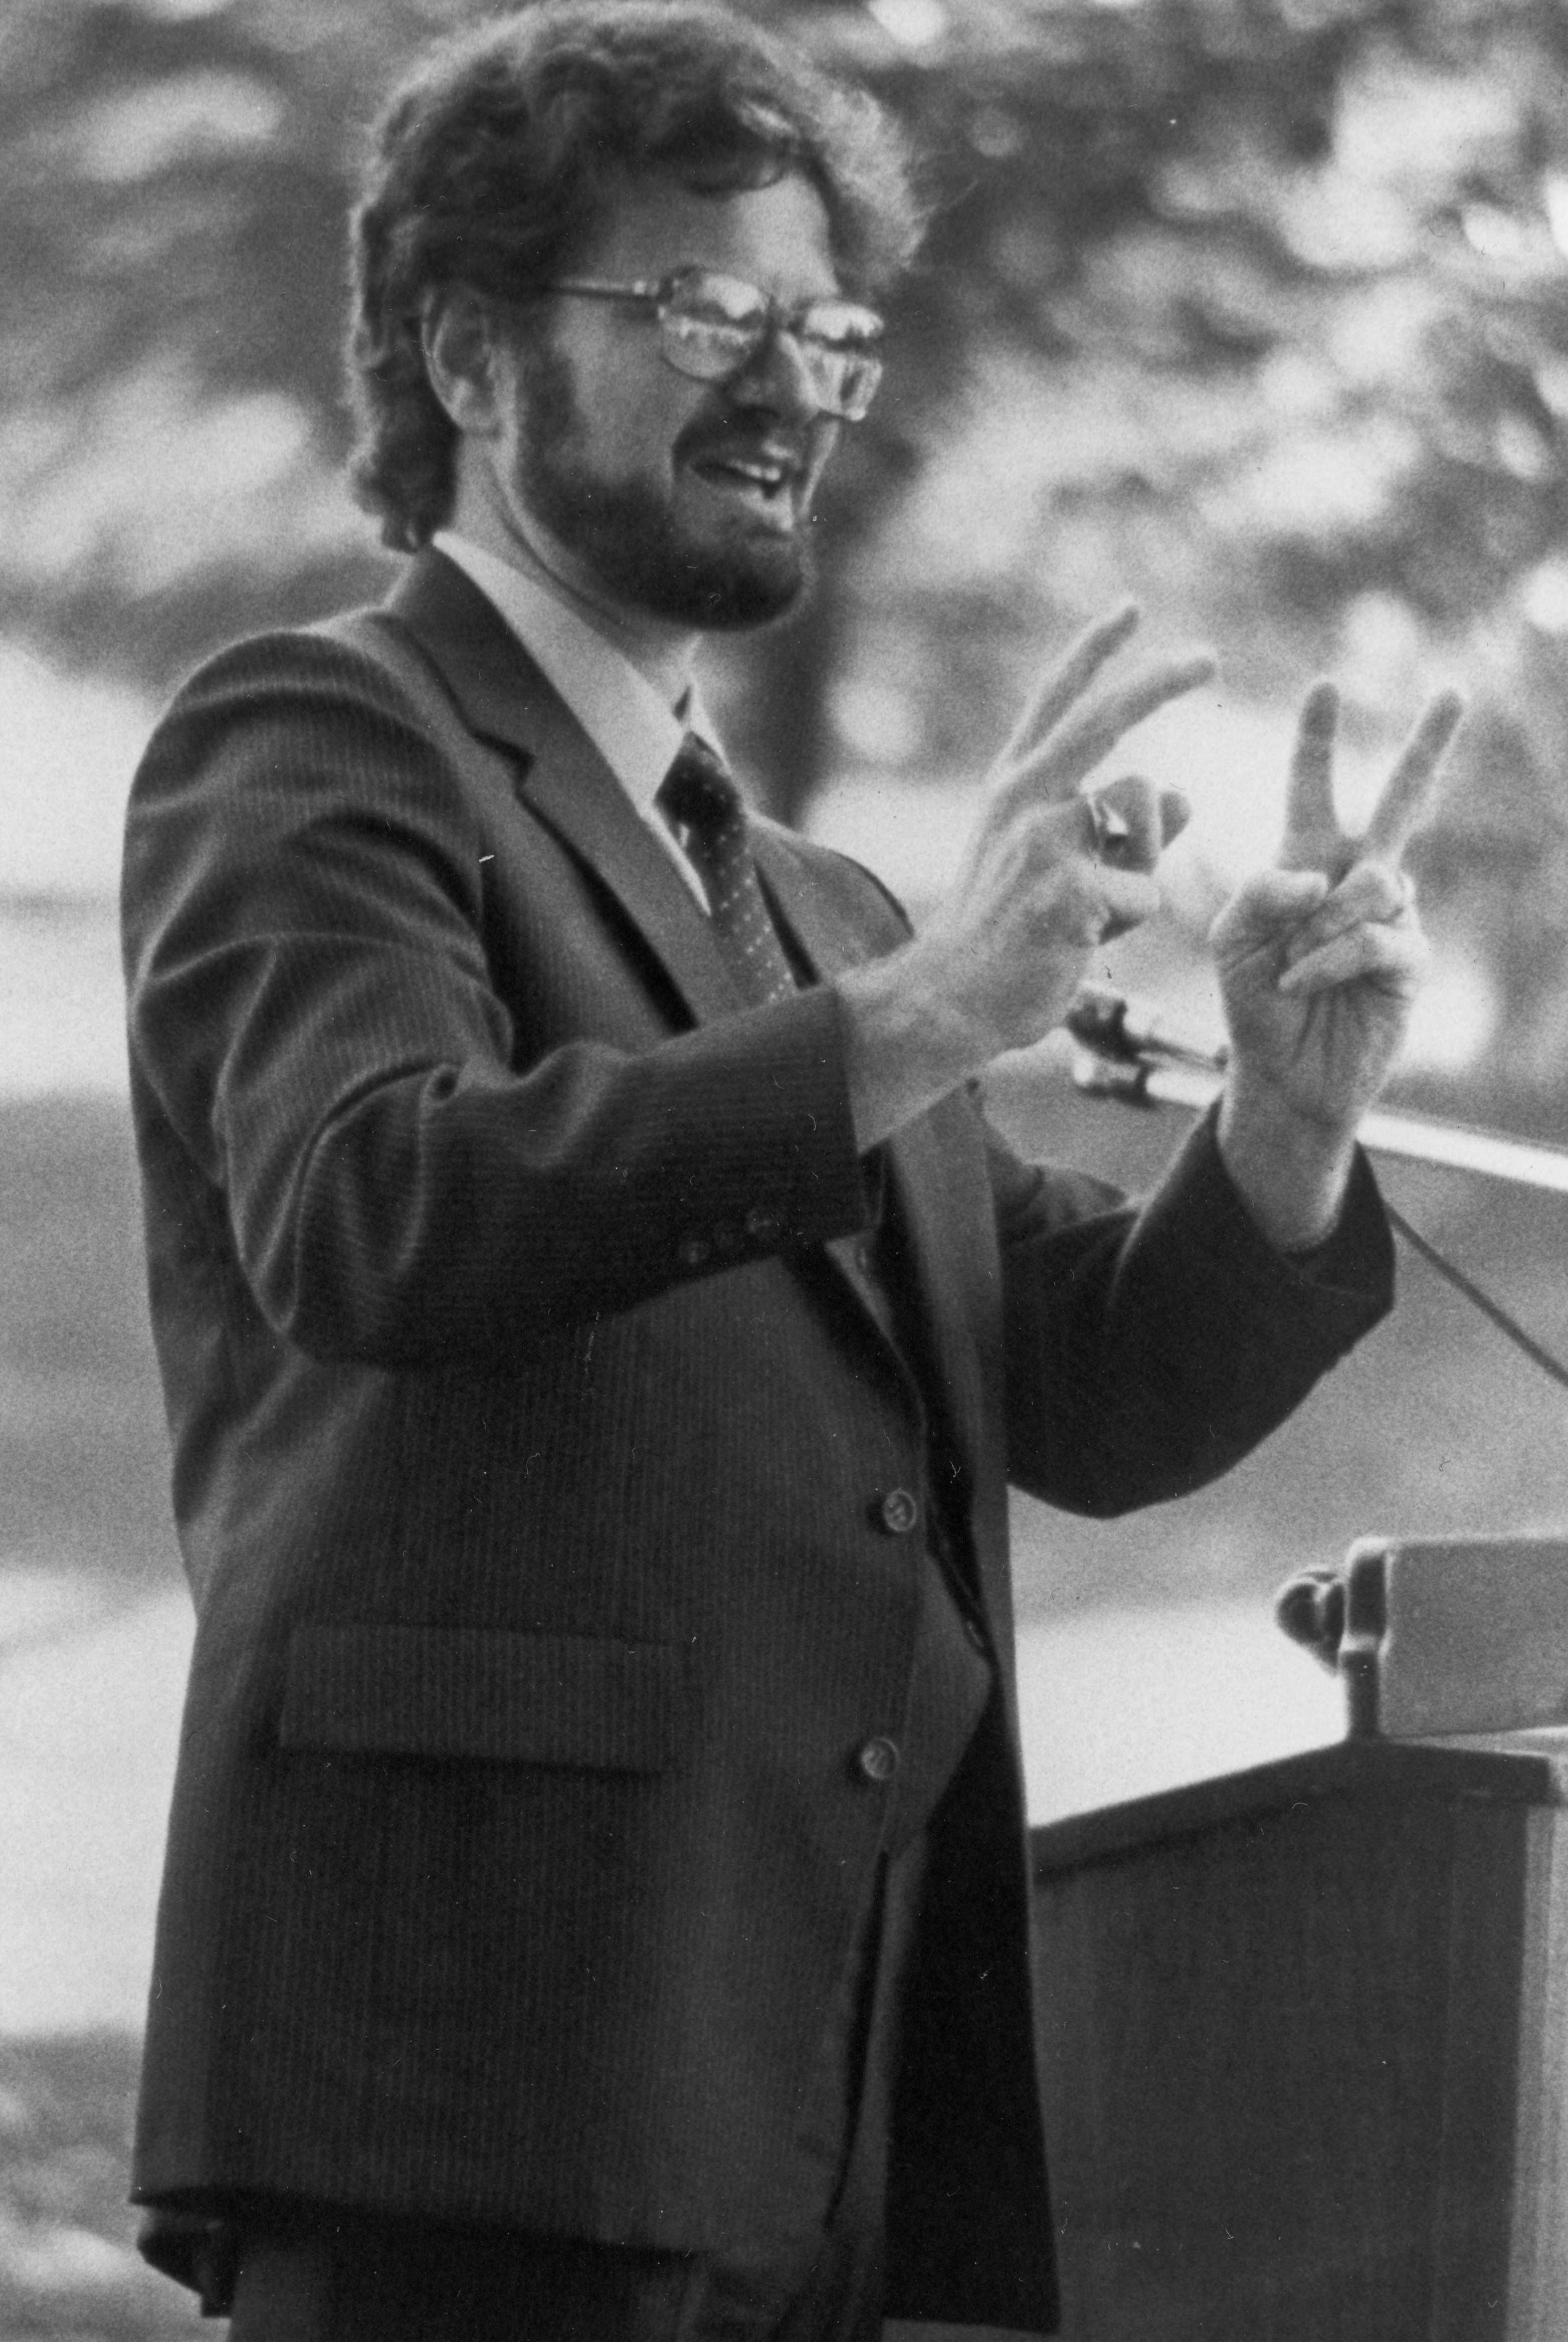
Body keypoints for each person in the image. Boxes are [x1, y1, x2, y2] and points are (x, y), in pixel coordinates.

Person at [120, 5, 1462, 2336]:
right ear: (462, 347)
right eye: (699, 311)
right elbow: (369, 1205)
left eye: (822, 327)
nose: (791, 386)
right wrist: (941, 1011)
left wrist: (1283, 1112)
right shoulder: (319, 730)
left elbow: (1087, 1392)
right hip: (476, 2076)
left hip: (817, 2101)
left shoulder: (827, 914)